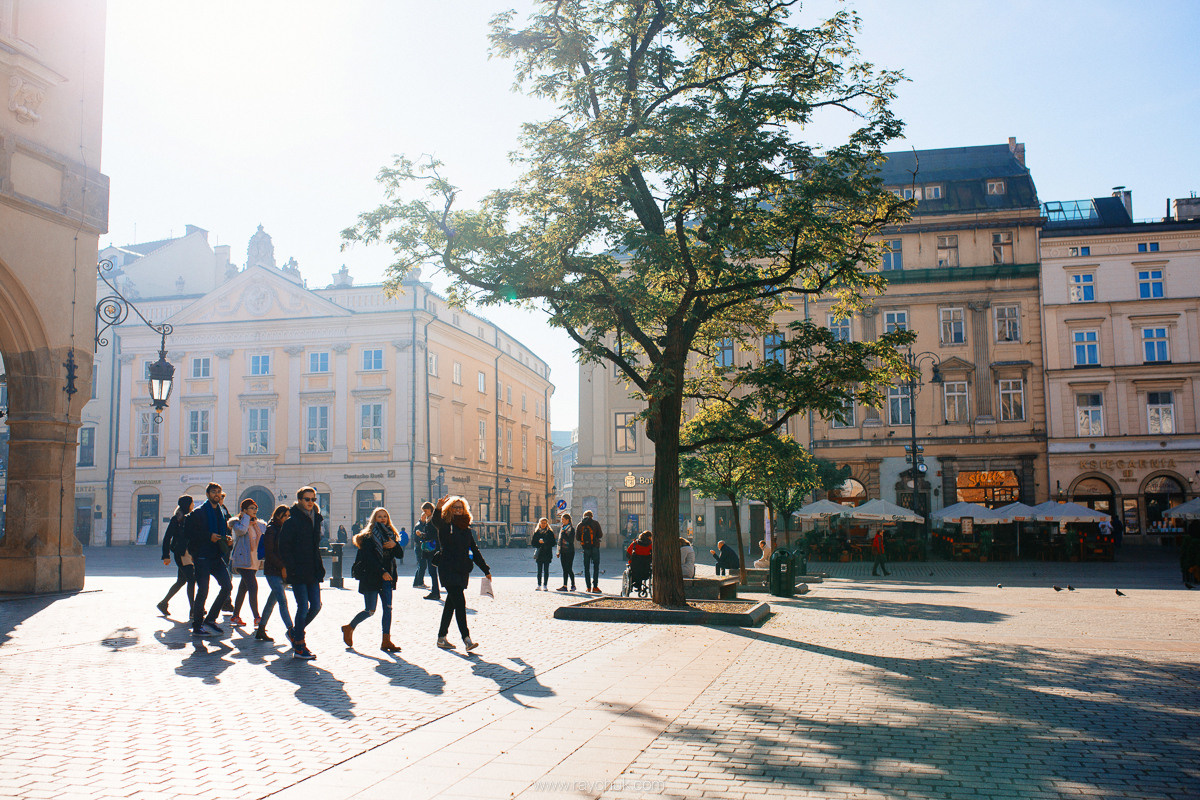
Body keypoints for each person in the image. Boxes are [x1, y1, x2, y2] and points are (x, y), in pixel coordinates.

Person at [430, 495, 491, 650]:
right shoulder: (445, 525)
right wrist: (438, 508)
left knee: (450, 604)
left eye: (460, 507)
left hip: (462, 570)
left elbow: (474, 550)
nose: (458, 510)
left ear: (464, 510)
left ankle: (441, 637)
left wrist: (485, 569)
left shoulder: (466, 529)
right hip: (448, 569)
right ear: (450, 509)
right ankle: (466, 639)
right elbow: (435, 522)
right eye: (455, 507)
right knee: (460, 603)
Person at [342, 507, 401, 652]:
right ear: (374, 519)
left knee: (388, 609)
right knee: (370, 610)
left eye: (385, 517)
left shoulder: (391, 536)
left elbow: (400, 555)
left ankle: (386, 641)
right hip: (372, 577)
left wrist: (395, 545)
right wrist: (381, 572)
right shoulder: (368, 537)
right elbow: (369, 559)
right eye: (379, 516)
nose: (382, 519)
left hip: (387, 578)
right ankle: (349, 627)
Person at [279, 486, 325, 660]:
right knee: (302, 607)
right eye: (307, 499)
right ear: (299, 500)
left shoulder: (316, 519)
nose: (311, 502)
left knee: (315, 606)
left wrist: (319, 567)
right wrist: (291, 568)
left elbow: (315, 547)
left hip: (312, 569)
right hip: (298, 570)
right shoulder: (292, 521)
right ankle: (299, 645)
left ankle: (295, 633)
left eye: (313, 499)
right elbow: (284, 548)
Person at [184, 483, 233, 636]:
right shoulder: (198, 513)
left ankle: (211, 619)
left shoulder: (221, 512)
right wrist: (208, 536)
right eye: (213, 492)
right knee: (203, 590)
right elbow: (189, 533)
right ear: (207, 494)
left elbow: (221, 531)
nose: (217, 494)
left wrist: (227, 539)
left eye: (219, 492)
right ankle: (197, 625)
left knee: (227, 586)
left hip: (216, 556)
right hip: (202, 556)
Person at [255, 504, 294, 642]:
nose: (288, 518)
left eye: (289, 516)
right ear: (278, 516)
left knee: (272, 601)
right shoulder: (272, 530)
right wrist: (282, 567)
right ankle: (291, 630)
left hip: (282, 571)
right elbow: (270, 553)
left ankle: (261, 629)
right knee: (282, 601)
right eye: (286, 516)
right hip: (273, 571)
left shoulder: (285, 529)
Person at [229, 498, 265, 627]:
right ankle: (257, 617)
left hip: (254, 561)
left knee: (243, 588)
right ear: (244, 510)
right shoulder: (237, 524)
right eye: (251, 508)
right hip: (243, 561)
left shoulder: (258, 524)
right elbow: (242, 531)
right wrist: (245, 517)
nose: (255, 510)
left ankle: (235, 616)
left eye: (255, 508)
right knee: (253, 587)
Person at [157, 495, 195, 616]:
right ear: (187, 504)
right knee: (191, 579)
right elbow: (167, 537)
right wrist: (166, 555)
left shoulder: (190, 517)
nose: (193, 505)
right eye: (192, 503)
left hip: (189, 553)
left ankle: (163, 603)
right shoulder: (176, 519)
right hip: (181, 554)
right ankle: (193, 609)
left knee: (181, 581)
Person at [413, 501, 441, 599]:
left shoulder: (432, 520)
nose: (425, 512)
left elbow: (431, 535)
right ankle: (435, 591)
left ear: (430, 509)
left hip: (432, 549)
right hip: (433, 548)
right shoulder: (430, 519)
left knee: (432, 570)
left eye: (425, 510)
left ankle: (435, 592)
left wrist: (421, 535)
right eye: (423, 511)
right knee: (432, 571)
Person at [576, 510, 603, 593]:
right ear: (592, 516)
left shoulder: (580, 525)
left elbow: (577, 538)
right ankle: (595, 587)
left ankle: (588, 587)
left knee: (586, 568)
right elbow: (600, 535)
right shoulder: (595, 523)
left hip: (585, 548)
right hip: (595, 547)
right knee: (596, 567)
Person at [530, 517, 555, 590]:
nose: (543, 525)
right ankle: (539, 584)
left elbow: (553, 543)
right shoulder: (537, 532)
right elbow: (533, 543)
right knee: (539, 570)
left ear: (547, 524)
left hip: (547, 553)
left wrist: (545, 542)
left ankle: (545, 585)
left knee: (546, 570)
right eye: (542, 523)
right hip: (540, 553)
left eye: (545, 523)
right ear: (539, 524)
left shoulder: (550, 532)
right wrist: (538, 542)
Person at [556, 512, 577, 591]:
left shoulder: (571, 529)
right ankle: (564, 586)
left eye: (563, 520)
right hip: (563, 551)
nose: (562, 521)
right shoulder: (562, 528)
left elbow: (571, 540)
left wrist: (565, 535)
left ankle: (573, 585)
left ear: (568, 520)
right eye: (562, 520)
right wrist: (558, 551)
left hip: (569, 551)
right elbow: (559, 541)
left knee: (569, 568)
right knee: (564, 569)